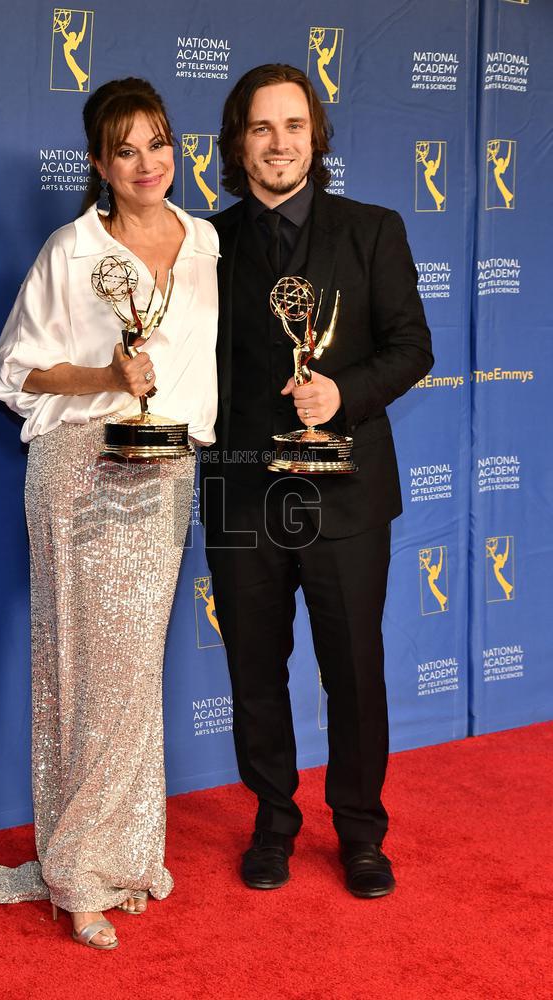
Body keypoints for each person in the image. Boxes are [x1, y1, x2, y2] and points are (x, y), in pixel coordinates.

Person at [0, 78, 218, 949]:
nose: (146, 163)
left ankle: (125, 854)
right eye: (125, 149)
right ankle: (81, 873)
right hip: (82, 465)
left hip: (166, 466)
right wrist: (105, 376)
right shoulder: (71, 248)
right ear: (97, 162)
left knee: (133, 674)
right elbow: (15, 370)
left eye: (158, 143)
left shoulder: (205, 240)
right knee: (83, 667)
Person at [201, 64, 433, 898]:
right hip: (240, 494)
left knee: (354, 673)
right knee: (253, 674)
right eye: (261, 128)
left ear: (316, 136)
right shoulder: (202, 245)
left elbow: (412, 347)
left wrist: (344, 393)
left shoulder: (373, 230)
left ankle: (362, 833)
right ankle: (273, 822)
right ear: (237, 143)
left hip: (347, 493)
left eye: (293, 126)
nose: (279, 143)